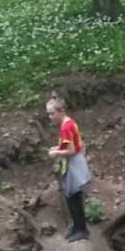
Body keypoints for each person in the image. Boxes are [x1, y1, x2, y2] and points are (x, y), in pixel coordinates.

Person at [46, 94, 92, 242]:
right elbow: (73, 144)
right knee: (71, 196)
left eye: (52, 113)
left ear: (61, 111)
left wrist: (55, 153)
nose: (50, 117)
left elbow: (71, 150)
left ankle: (82, 229)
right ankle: (76, 227)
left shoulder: (66, 127)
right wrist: (57, 148)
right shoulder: (69, 123)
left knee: (74, 197)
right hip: (74, 161)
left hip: (74, 163)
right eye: (49, 114)